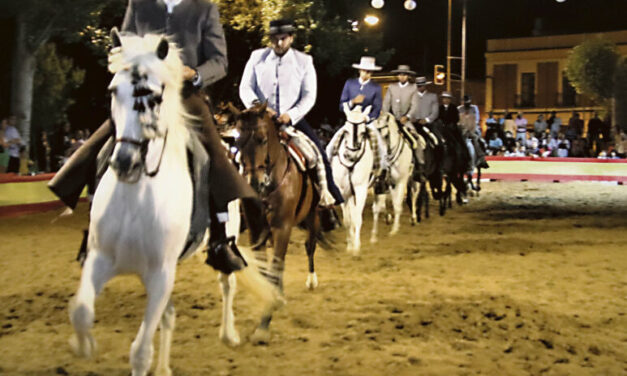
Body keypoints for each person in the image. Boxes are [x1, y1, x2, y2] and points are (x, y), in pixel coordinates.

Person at [48, 0, 269, 274]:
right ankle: (94, 225)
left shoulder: (205, 9)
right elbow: (122, 44)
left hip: (185, 96)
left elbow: (219, 62)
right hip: (143, 92)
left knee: (210, 155)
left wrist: (196, 73)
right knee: (105, 144)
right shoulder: (139, 5)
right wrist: (119, 56)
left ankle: (221, 238)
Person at [239, 19, 343, 207]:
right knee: (241, 151)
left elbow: (309, 95)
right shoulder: (256, 57)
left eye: (283, 38)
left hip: (291, 121)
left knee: (317, 154)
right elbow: (245, 87)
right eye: (275, 39)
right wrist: (258, 106)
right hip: (261, 119)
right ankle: (236, 201)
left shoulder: (304, 61)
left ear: (291, 38)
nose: (279, 43)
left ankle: (328, 196)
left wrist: (291, 114)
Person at [381, 64, 424, 177]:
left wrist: (408, 116)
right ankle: (380, 167)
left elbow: (415, 105)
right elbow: (386, 103)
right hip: (392, 119)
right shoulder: (391, 87)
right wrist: (386, 115)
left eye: (405, 75)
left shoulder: (413, 88)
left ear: (408, 76)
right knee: (381, 136)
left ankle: (419, 165)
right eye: (400, 74)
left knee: (416, 139)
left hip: (406, 121)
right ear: (398, 76)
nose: (402, 77)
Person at [457, 95, 488, 168]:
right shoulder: (459, 109)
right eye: (465, 102)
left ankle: (481, 158)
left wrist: (471, 129)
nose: (466, 104)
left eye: (468, 102)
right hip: (462, 130)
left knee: (478, 141)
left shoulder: (474, 108)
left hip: (473, 129)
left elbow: (476, 119)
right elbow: (458, 120)